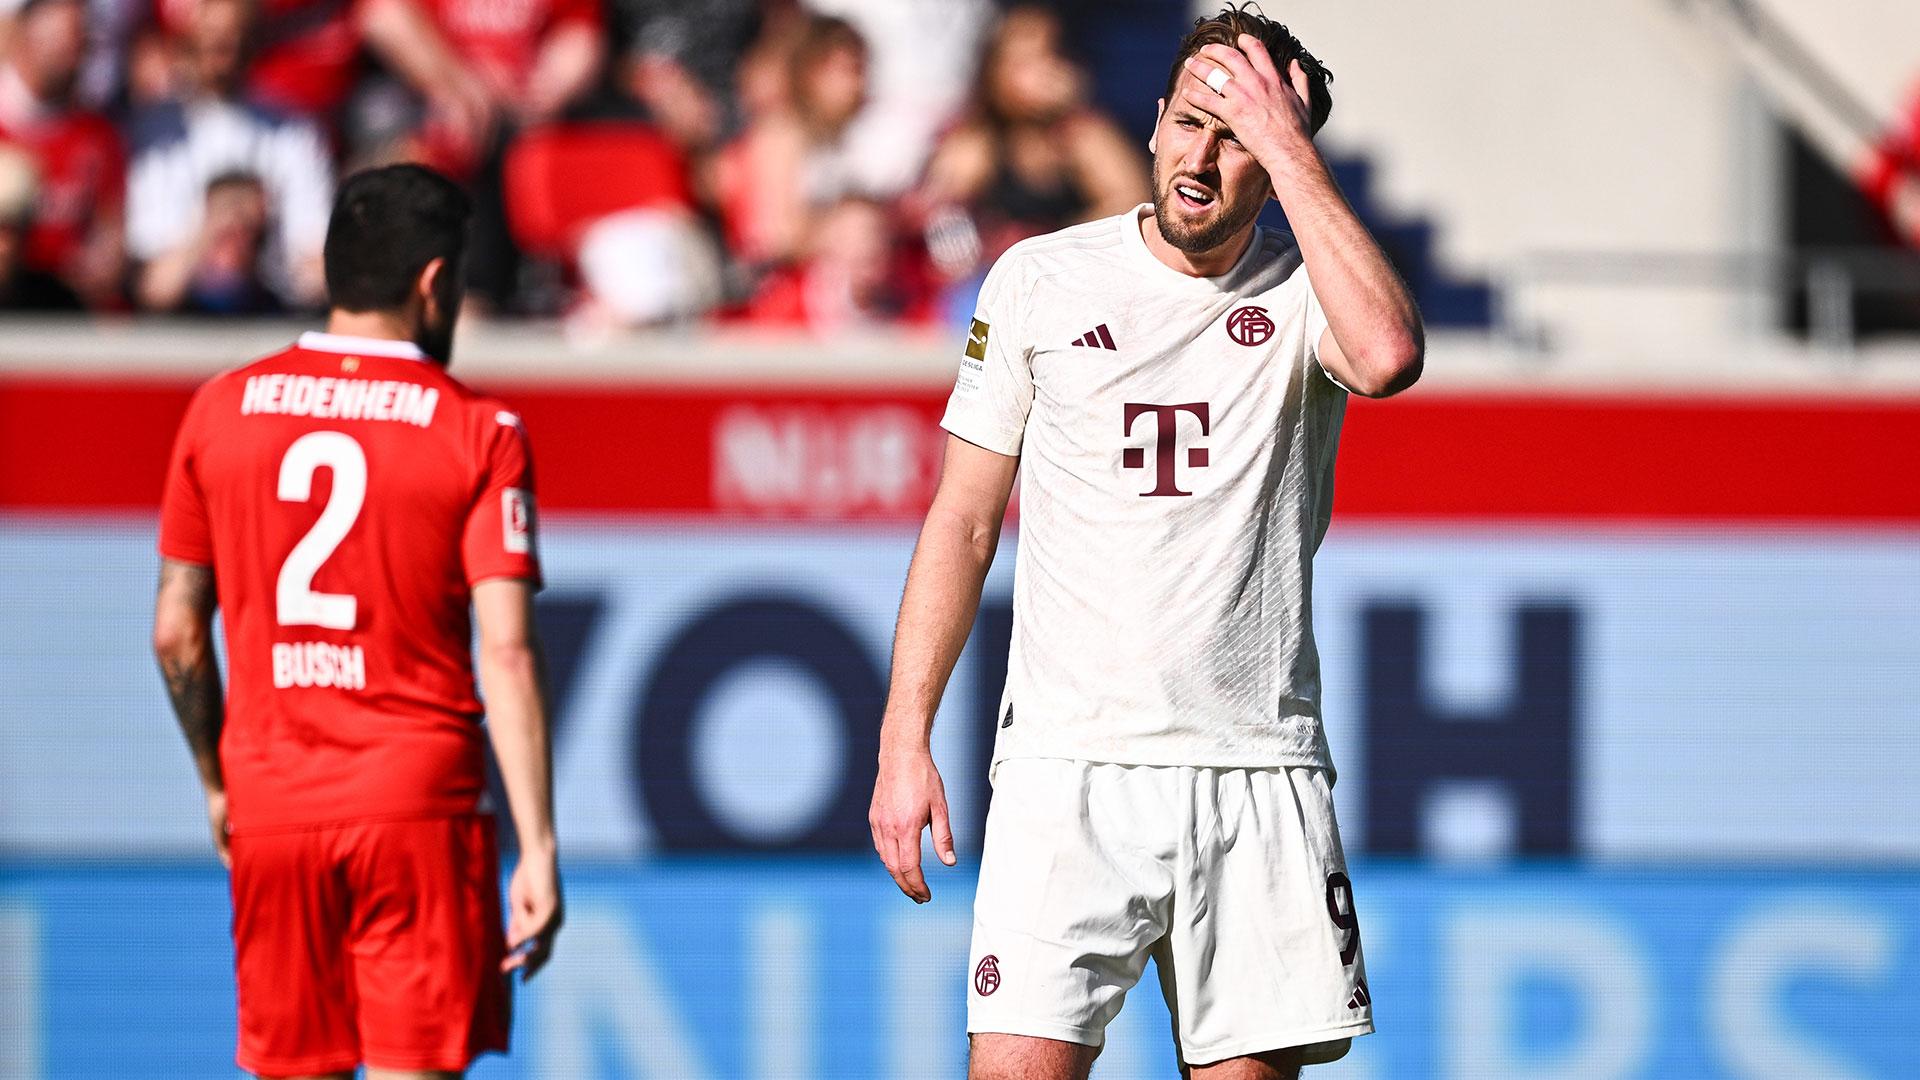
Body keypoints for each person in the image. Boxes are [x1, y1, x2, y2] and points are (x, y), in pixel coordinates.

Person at [867, 8, 1422, 1080]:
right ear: (1158, 120)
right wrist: (904, 740)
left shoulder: (1313, 289)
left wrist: (1295, 155)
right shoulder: (1040, 280)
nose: (1204, 160)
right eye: (1194, 124)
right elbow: (965, 518)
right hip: (1065, 771)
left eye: (1242, 139)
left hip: (1254, 770)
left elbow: (1391, 354)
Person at [152, 163, 562, 1079]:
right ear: (432, 284)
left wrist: (221, 782)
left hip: (272, 799)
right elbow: (507, 653)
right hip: (415, 804)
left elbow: (176, 630)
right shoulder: (480, 430)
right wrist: (535, 846)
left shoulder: (221, 409)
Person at [126, 0, 334, 310]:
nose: (223, 52)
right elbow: (155, 288)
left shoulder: (293, 133)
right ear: (187, 39)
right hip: (180, 320)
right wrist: (211, 229)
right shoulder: (157, 134)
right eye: (212, 37)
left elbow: (316, 273)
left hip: (273, 311)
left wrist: (258, 230)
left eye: (234, 38)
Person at [0, 0, 125, 307]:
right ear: (24, 37)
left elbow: (112, 234)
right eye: (61, 42)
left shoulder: (98, 137)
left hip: (64, 307)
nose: (74, 58)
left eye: (80, 44)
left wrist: (102, 265)